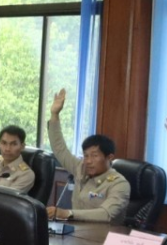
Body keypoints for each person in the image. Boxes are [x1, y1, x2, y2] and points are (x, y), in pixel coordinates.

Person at [45, 89, 130, 223]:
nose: (88, 161)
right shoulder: (81, 168)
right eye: (85, 156)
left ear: (109, 157)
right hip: (76, 233)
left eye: (94, 156)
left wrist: (68, 213)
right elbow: (59, 149)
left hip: (103, 238)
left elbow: (106, 214)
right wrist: (54, 115)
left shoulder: (119, 184)